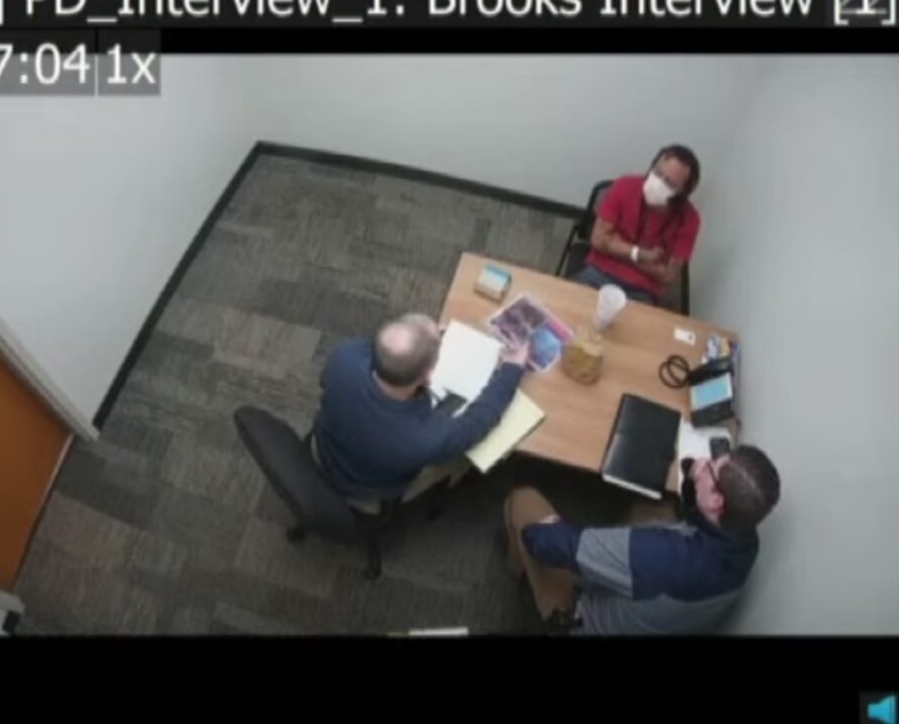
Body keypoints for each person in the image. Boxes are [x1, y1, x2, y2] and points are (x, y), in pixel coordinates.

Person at [503, 445, 781, 634]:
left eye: (711, 468)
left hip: (585, 619)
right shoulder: (746, 542)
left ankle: (518, 572)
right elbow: (695, 514)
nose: (704, 463)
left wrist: (550, 530)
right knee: (654, 504)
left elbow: (543, 542)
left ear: (717, 500)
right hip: (661, 606)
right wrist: (695, 475)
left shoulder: (656, 556)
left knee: (523, 502)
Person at [313, 313, 528, 511]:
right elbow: (478, 422)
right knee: (468, 453)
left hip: (325, 448)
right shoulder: (424, 438)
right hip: (368, 488)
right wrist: (512, 369)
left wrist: (425, 339)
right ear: (427, 377)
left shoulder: (344, 356)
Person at [575, 144, 702, 305]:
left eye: (670, 184)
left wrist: (617, 245)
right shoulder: (624, 185)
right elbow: (599, 240)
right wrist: (642, 255)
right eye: (657, 173)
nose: (658, 183)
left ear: (683, 192)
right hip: (600, 271)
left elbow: (668, 276)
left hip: (642, 290)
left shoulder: (689, 219)